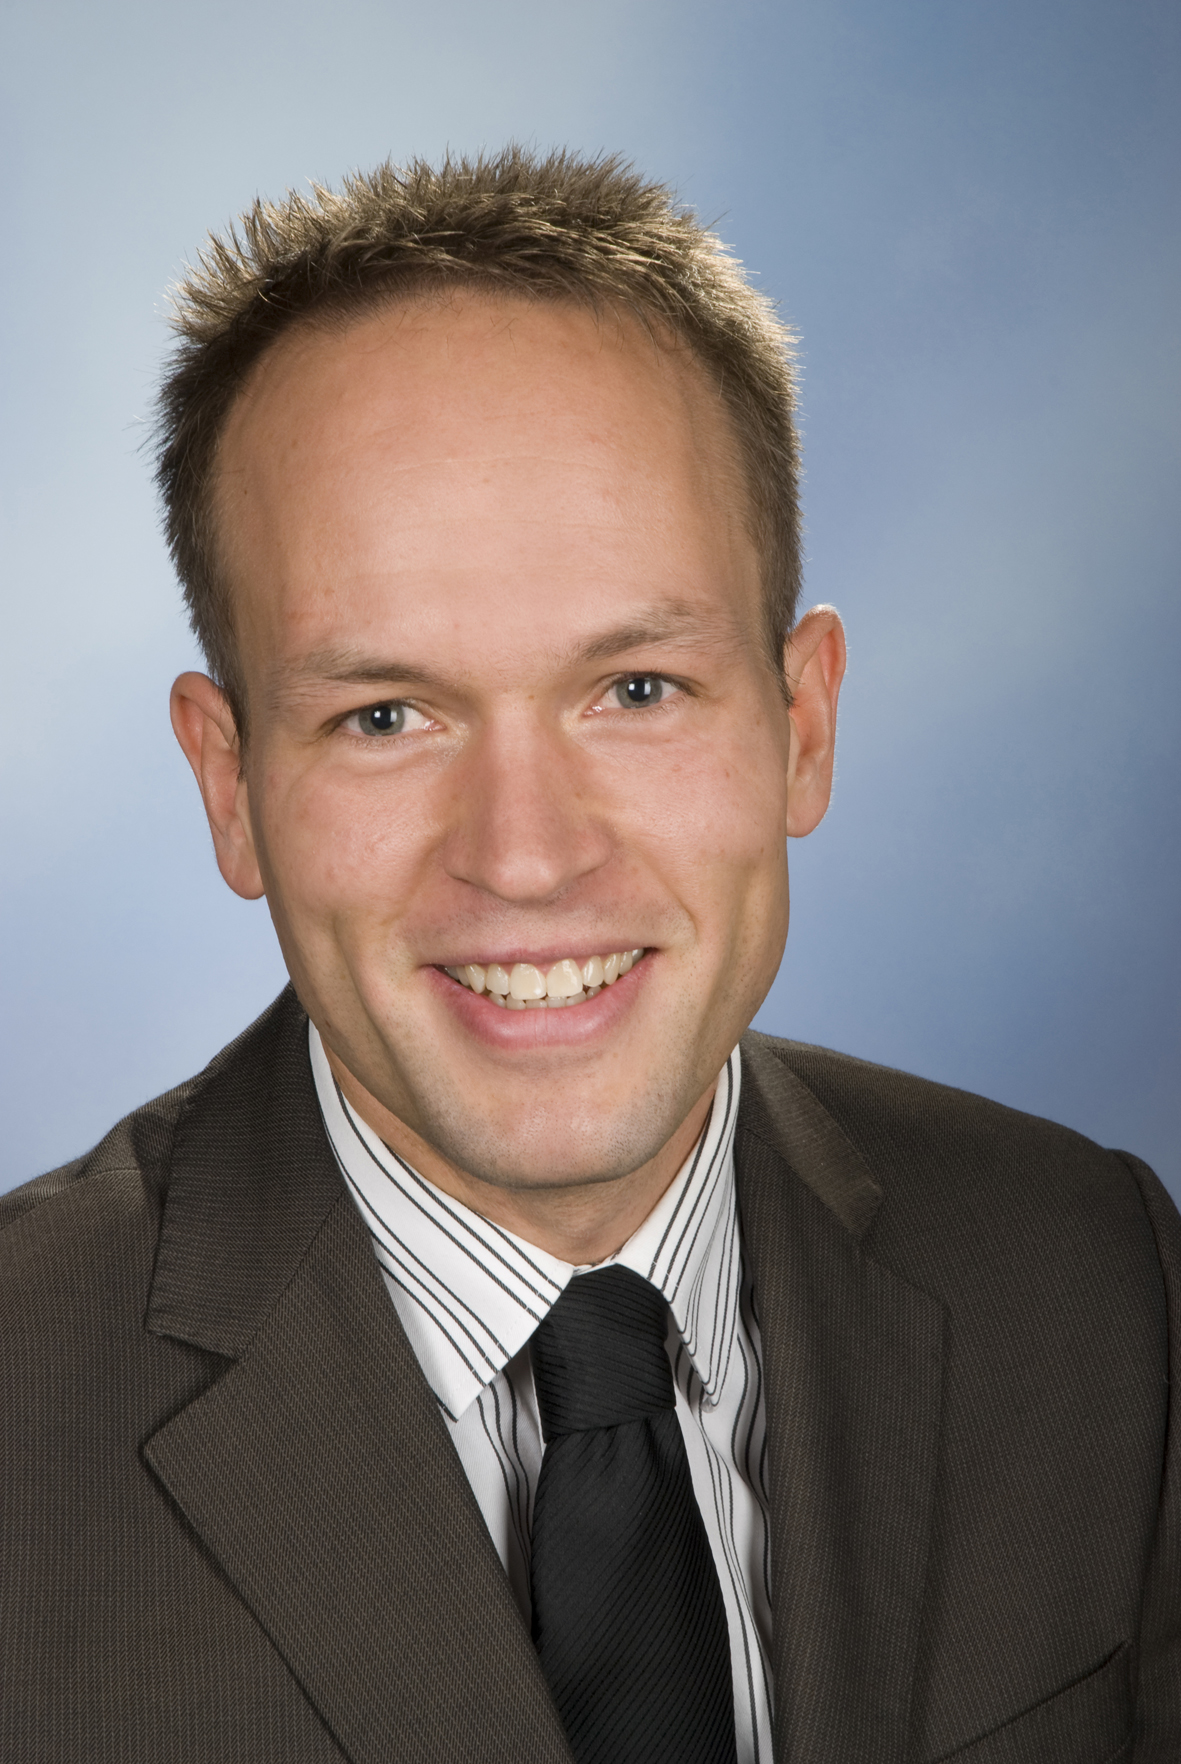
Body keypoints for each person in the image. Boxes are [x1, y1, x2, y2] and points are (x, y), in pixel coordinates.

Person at [2, 148, 1177, 1764]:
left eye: (634, 690)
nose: (527, 854)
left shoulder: (1098, 1282)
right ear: (231, 787)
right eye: (385, 716)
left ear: (801, 726)